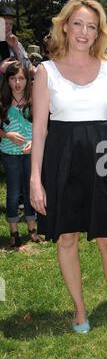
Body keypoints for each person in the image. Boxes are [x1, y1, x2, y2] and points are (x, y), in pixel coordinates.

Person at [30, 0, 107, 334]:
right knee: (66, 238)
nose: (84, 32)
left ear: (100, 33)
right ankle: (80, 310)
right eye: (78, 24)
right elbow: (40, 129)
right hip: (62, 160)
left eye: (92, 27)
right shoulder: (45, 71)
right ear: (65, 26)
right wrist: (35, 180)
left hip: (101, 160)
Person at [0, 62, 43, 250]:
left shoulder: (34, 100)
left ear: (28, 80)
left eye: (21, 78)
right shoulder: (3, 101)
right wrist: (7, 134)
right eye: (12, 78)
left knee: (30, 190)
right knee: (13, 192)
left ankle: (32, 230)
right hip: (10, 154)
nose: (17, 83)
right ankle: (14, 232)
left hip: (30, 154)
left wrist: (34, 143)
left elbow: (42, 128)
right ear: (7, 80)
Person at [0, 6, 32, 77]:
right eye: (5, 23)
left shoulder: (16, 43)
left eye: (11, 24)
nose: (8, 27)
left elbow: (28, 68)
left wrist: (16, 49)